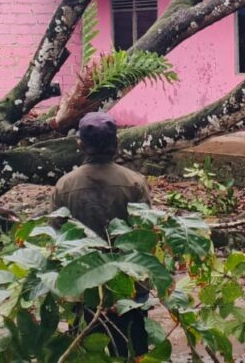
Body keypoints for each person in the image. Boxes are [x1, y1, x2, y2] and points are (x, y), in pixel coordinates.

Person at [50, 112, 151, 357]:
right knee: (131, 350)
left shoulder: (64, 186)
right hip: (127, 282)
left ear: (81, 145)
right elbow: (145, 235)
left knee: (84, 351)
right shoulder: (135, 182)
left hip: (82, 284)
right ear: (116, 144)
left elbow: (57, 237)